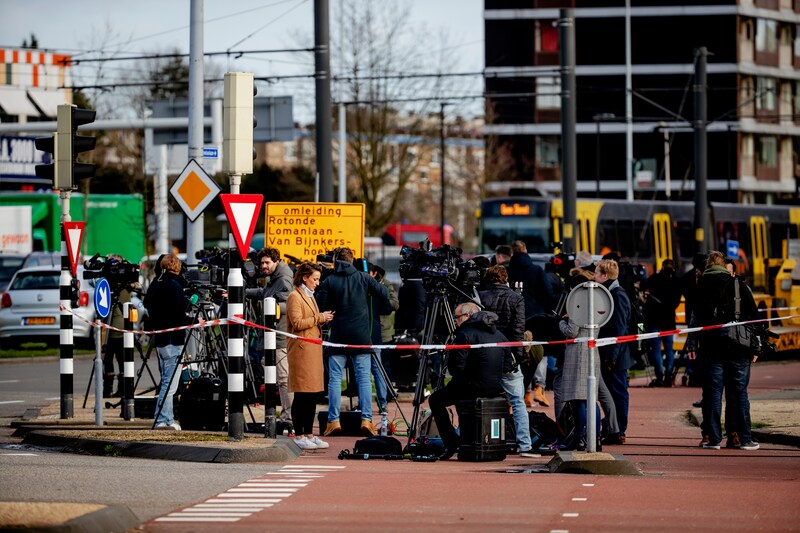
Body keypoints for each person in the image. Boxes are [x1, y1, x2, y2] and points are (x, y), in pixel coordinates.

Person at [687, 251, 760, 451]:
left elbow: (695, 320)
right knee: (739, 394)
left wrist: (693, 344)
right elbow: (754, 317)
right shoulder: (738, 285)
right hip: (739, 348)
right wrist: (756, 346)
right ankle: (744, 438)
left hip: (711, 349)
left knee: (713, 394)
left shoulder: (700, 287)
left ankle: (713, 439)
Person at [316, 247, 389, 437]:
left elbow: (320, 305)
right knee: (364, 378)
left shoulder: (330, 280)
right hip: (361, 337)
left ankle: (333, 420)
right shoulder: (363, 278)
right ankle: (366, 419)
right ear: (351, 260)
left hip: (338, 336)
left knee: (334, 379)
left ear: (335, 260)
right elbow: (384, 293)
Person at [427, 302, 512, 460]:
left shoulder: (465, 334)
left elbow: (456, 368)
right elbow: (508, 365)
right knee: (458, 393)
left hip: (471, 386)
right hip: (495, 387)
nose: (455, 321)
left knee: (435, 400)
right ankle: (468, 440)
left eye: (457, 317)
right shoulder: (499, 334)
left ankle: (452, 442)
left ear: (467, 316)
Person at [478, 265, 532, 454]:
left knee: (478, 398)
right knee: (517, 402)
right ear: (505, 279)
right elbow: (518, 330)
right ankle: (524, 444)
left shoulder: (480, 297)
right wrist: (517, 357)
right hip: (508, 353)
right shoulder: (516, 298)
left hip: (485, 354)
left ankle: (477, 438)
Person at [286, 262, 335, 450]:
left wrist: (322, 318)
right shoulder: (295, 296)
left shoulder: (309, 295)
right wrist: (320, 318)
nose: (317, 283)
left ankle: (308, 434)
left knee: (312, 394)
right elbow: (297, 323)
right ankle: (299, 434)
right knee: (302, 394)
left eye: (318, 279)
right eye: (315, 279)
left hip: (312, 349)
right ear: (305, 278)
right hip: (301, 351)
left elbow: (309, 321)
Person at [246, 247, 294, 431]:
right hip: (272, 335)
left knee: (283, 378)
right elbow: (265, 293)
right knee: (275, 376)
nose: (263, 266)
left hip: (279, 336)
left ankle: (289, 418)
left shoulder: (283, 279)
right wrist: (243, 292)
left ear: (276, 261)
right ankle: (281, 416)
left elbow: (288, 304)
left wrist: (272, 308)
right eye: (261, 263)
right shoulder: (275, 277)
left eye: (267, 263)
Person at [143, 254, 191, 431]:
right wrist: (192, 320)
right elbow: (179, 314)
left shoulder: (156, 284)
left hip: (161, 339)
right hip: (173, 339)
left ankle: (166, 417)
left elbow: (147, 304)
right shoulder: (175, 286)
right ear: (177, 267)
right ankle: (163, 419)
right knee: (170, 384)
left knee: (166, 380)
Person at [596, 258, 635, 444]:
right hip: (612, 353)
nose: (594, 277)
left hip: (616, 355)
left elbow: (619, 329)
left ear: (605, 276)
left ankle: (619, 430)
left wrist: (611, 357)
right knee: (611, 392)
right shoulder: (610, 293)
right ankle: (613, 427)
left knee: (618, 393)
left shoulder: (617, 295)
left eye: (597, 273)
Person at [103, 254, 138, 398]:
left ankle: (108, 390)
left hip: (113, 327)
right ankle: (123, 390)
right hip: (123, 326)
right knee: (122, 359)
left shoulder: (116, 283)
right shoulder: (127, 282)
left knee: (108, 358)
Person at [644, 258, 682, 387]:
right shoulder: (676, 281)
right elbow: (676, 302)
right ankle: (669, 375)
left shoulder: (654, 278)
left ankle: (659, 375)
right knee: (669, 349)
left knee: (656, 348)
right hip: (669, 320)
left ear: (663, 266)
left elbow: (646, 291)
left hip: (655, 319)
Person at [506, 240, 553, 318]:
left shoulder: (506, 271)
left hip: (512, 313)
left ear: (512, 252)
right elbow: (547, 291)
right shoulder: (537, 269)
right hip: (535, 313)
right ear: (526, 250)